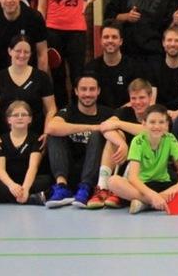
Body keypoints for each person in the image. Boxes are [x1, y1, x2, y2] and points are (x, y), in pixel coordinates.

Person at [38, 0, 103, 108]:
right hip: (53, 30)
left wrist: (87, 1)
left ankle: (78, 110)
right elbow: (41, 6)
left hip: (76, 30)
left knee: (77, 74)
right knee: (57, 75)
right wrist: (40, 30)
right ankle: (62, 111)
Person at [108, 104, 178, 214]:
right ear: (144, 124)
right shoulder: (137, 141)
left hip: (165, 185)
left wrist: (177, 187)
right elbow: (133, 177)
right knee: (113, 181)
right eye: (152, 122)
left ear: (167, 124)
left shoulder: (170, 138)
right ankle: (167, 201)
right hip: (143, 188)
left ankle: (145, 204)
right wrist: (152, 196)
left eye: (161, 122)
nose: (157, 126)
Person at [44, 74, 122, 208]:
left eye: (92, 89)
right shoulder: (68, 110)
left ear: (98, 91)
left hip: (93, 172)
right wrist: (91, 127)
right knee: (53, 134)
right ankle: (62, 187)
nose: (87, 94)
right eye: (83, 89)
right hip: (68, 169)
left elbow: (118, 130)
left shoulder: (108, 113)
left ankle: (86, 188)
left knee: (97, 135)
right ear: (76, 91)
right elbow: (50, 127)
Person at [85, 78, 153, 209]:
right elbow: (104, 126)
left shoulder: (157, 113)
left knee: (142, 141)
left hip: (146, 167)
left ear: (150, 97)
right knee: (115, 135)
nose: (137, 102)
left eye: (142, 98)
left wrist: (119, 124)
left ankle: (121, 191)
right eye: (133, 98)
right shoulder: (124, 112)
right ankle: (102, 187)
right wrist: (122, 143)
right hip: (121, 160)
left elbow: (151, 133)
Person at [0, 34, 56, 155]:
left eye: (26, 52)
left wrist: (46, 133)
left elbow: (51, 109)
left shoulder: (42, 77)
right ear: (10, 51)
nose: (22, 55)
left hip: (35, 136)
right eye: (18, 51)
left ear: (31, 54)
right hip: (5, 136)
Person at [0, 100, 53, 205]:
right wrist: (12, 186)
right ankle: (31, 198)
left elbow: (33, 167)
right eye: (15, 115)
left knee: (47, 179)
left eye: (24, 115)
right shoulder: (0, 140)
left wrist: (26, 188)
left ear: (30, 119)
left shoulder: (36, 139)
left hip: (29, 180)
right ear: (8, 120)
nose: (20, 117)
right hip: (7, 182)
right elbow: (0, 170)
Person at [85, 21, 150, 109]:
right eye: (106, 37)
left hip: (126, 114)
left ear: (121, 41)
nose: (110, 40)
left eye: (114, 37)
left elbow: (140, 98)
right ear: (101, 40)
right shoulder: (91, 68)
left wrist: (117, 114)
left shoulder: (134, 67)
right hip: (100, 115)